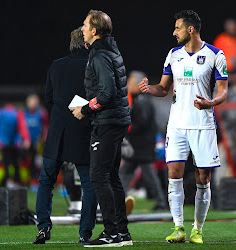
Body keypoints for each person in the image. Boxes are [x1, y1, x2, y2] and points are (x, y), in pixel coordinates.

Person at [138, 10, 228, 244]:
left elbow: (223, 90)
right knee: (174, 175)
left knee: (203, 178)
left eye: (177, 28)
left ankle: (197, 229)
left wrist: (211, 102)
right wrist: (150, 88)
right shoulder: (173, 55)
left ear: (191, 29)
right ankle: (179, 228)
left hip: (202, 124)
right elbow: (164, 88)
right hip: (176, 124)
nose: (174, 32)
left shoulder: (215, 55)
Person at [72, 10, 132, 247]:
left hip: (107, 122)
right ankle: (122, 232)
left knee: (98, 176)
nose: (82, 28)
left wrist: (85, 109)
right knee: (112, 177)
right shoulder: (110, 51)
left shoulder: (99, 56)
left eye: (85, 25)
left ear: (95, 30)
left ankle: (111, 233)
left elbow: (105, 93)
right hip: (116, 121)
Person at [33, 27, 97, 245]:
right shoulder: (93, 64)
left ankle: (43, 227)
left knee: (46, 181)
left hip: (58, 130)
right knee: (89, 184)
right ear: (87, 42)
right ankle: (84, 233)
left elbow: (48, 98)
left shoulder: (57, 65)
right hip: (83, 130)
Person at [120, 70, 168, 210]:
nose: (127, 85)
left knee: (147, 175)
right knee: (128, 173)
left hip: (141, 145)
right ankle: (118, 199)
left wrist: (127, 128)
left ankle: (161, 202)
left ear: (136, 84)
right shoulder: (140, 99)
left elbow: (142, 122)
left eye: (130, 82)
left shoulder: (141, 100)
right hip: (139, 144)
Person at [0, 103, 31, 187]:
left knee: (6, 163)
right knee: (15, 162)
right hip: (14, 143)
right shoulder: (18, 113)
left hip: (5, 143)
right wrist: (26, 138)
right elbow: (22, 127)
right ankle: (15, 181)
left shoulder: (1, 113)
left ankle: (9, 181)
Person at [24, 94, 49, 191]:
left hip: (39, 143)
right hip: (26, 143)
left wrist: (44, 139)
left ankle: (37, 181)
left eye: (35, 100)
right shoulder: (23, 113)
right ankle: (28, 181)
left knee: (38, 163)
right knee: (27, 162)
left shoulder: (41, 113)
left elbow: (46, 126)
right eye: (32, 100)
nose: (34, 103)